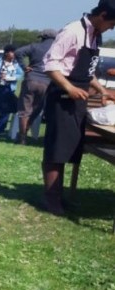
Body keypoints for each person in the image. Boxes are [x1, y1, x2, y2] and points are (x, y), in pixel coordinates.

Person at [41, 0, 115, 216]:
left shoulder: (95, 35)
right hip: (62, 96)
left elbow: (86, 70)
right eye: (112, 23)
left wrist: (101, 90)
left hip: (79, 98)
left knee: (70, 147)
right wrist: (69, 87)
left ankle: (60, 195)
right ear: (102, 15)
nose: (112, 28)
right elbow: (50, 65)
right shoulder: (73, 31)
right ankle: (50, 199)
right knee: (57, 148)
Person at [14, 29, 58, 145]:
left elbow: (18, 52)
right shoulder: (57, 49)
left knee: (24, 110)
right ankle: (25, 132)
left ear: (43, 37)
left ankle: (22, 137)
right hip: (47, 83)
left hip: (31, 80)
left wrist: (24, 66)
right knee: (36, 110)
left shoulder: (34, 47)